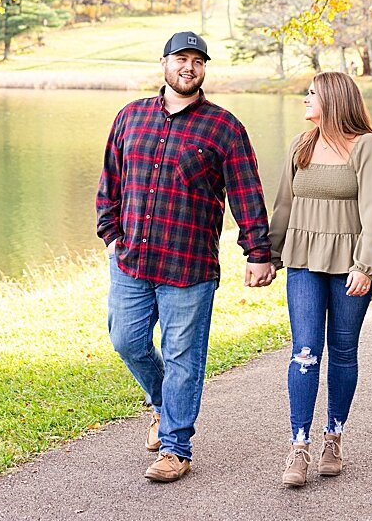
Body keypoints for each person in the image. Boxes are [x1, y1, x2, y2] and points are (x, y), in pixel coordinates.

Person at [95, 31, 276, 484]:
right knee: (126, 341)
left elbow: (246, 192)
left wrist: (258, 251)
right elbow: (109, 183)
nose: (188, 67)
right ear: (164, 63)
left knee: (182, 356)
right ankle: (162, 405)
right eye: (181, 58)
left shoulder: (224, 127)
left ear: (204, 69)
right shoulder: (130, 117)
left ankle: (176, 447)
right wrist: (111, 235)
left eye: (197, 60)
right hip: (131, 259)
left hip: (189, 266)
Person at [269, 70, 372, 487]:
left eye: (312, 93)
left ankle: (333, 437)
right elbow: (284, 204)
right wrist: (266, 254)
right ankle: (298, 446)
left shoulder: (365, 146)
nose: (305, 98)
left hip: (349, 263)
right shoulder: (301, 144)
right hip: (302, 260)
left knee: (342, 350)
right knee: (304, 351)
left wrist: (365, 264)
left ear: (333, 100)